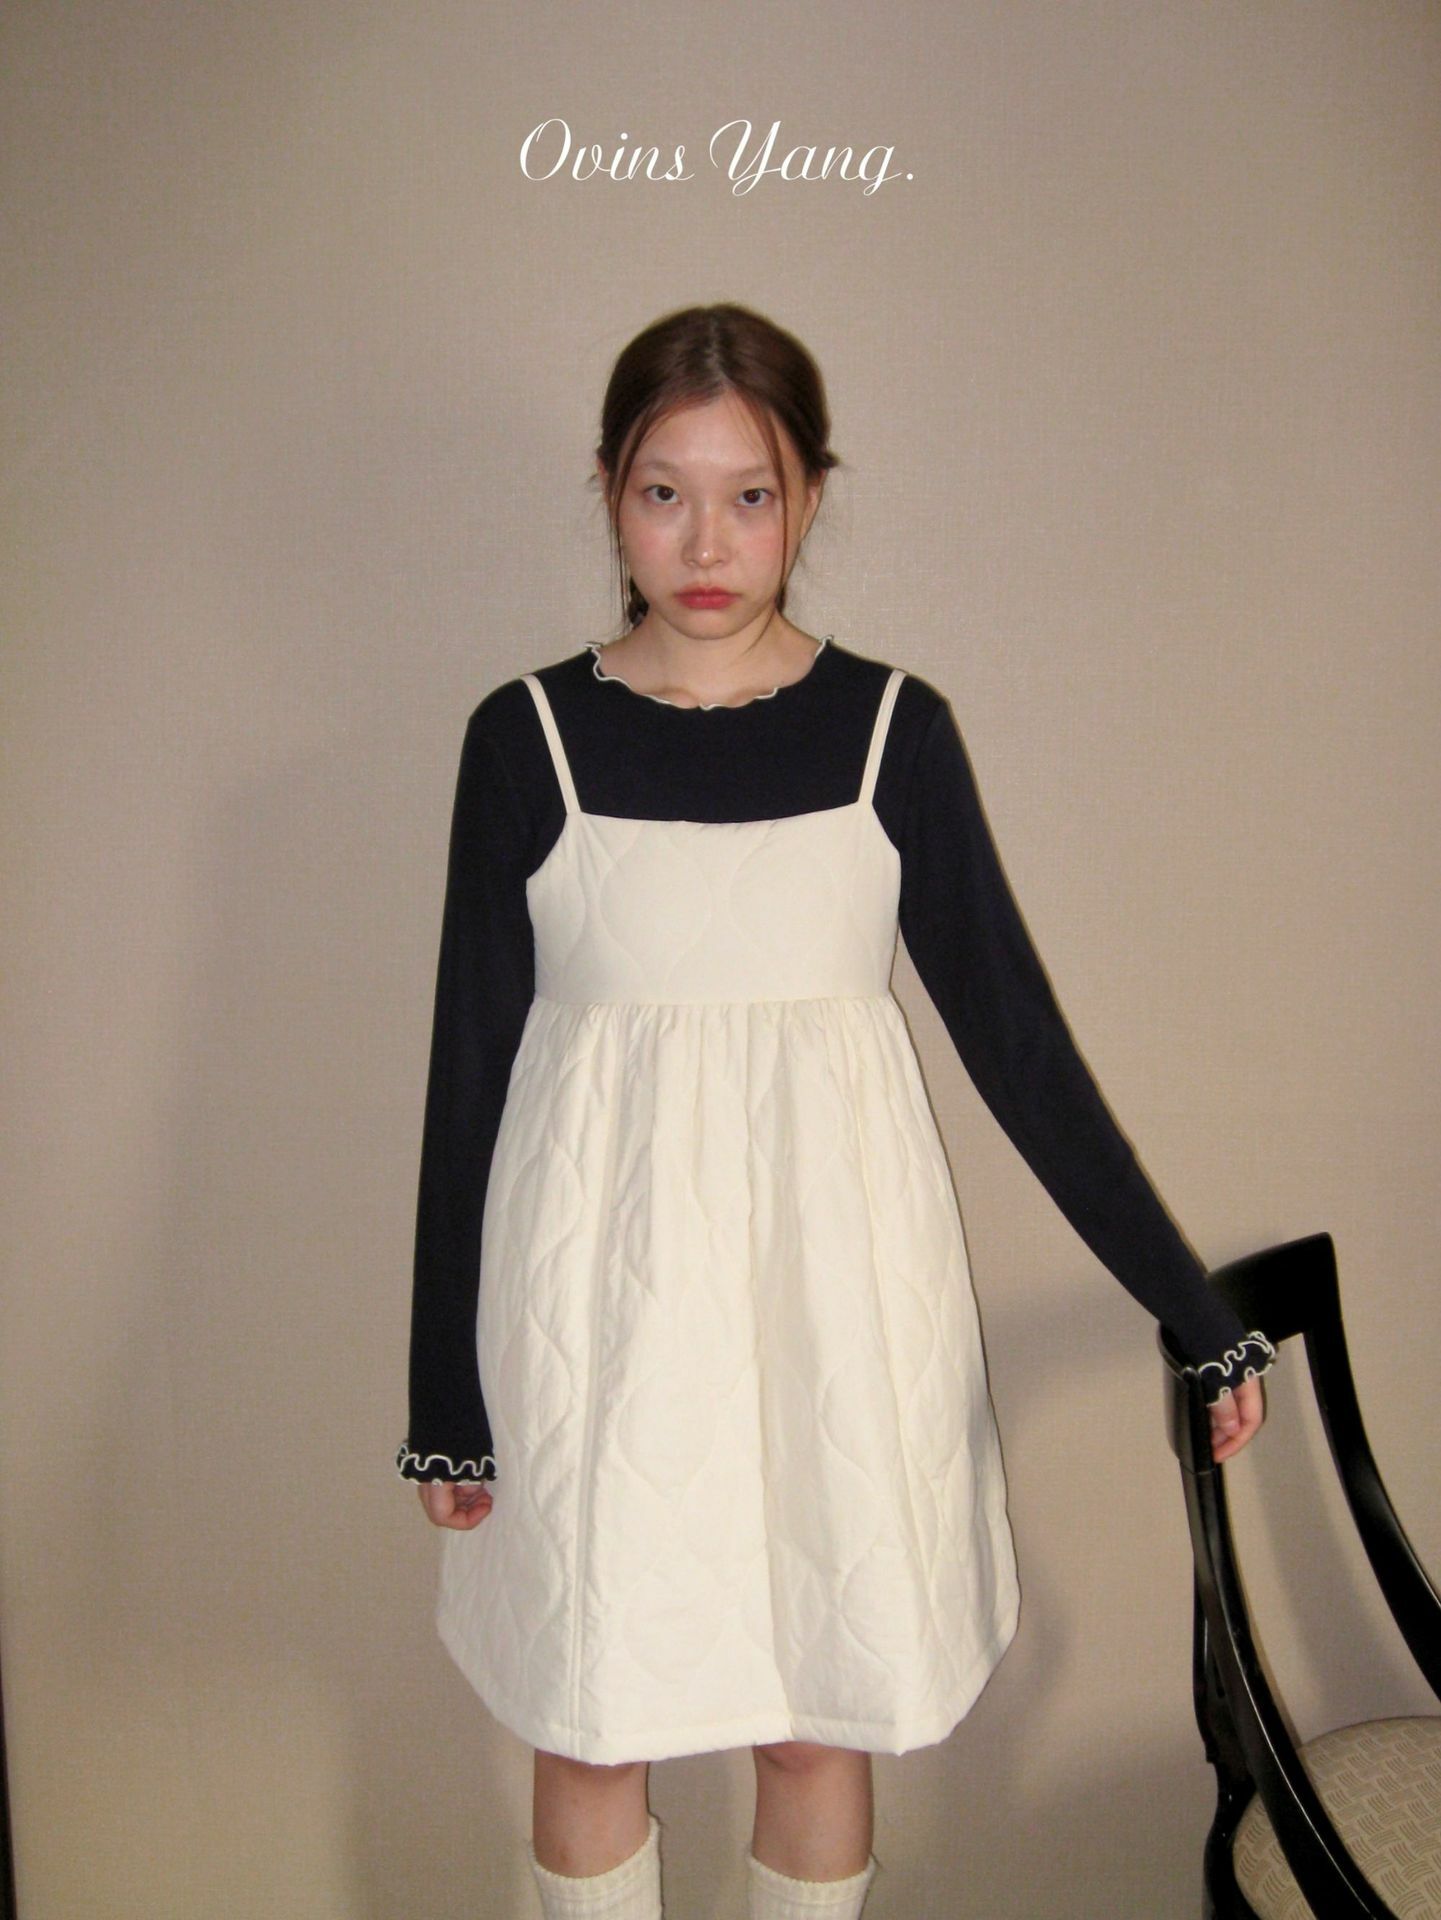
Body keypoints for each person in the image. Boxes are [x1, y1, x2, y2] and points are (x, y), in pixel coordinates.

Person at [395, 303, 1275, 1920]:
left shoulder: (891, 734)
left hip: (832, 1295)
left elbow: (1019, 1048)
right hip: (596, 1307)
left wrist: (1188, 1308)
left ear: (808, 495)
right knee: (591, 1723)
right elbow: (467, 1074)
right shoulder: (522, 741)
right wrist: (444, 1387)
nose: (706, 542)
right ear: (607, 493)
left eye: (750, 495)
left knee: (813, 1720)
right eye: (664, 493)